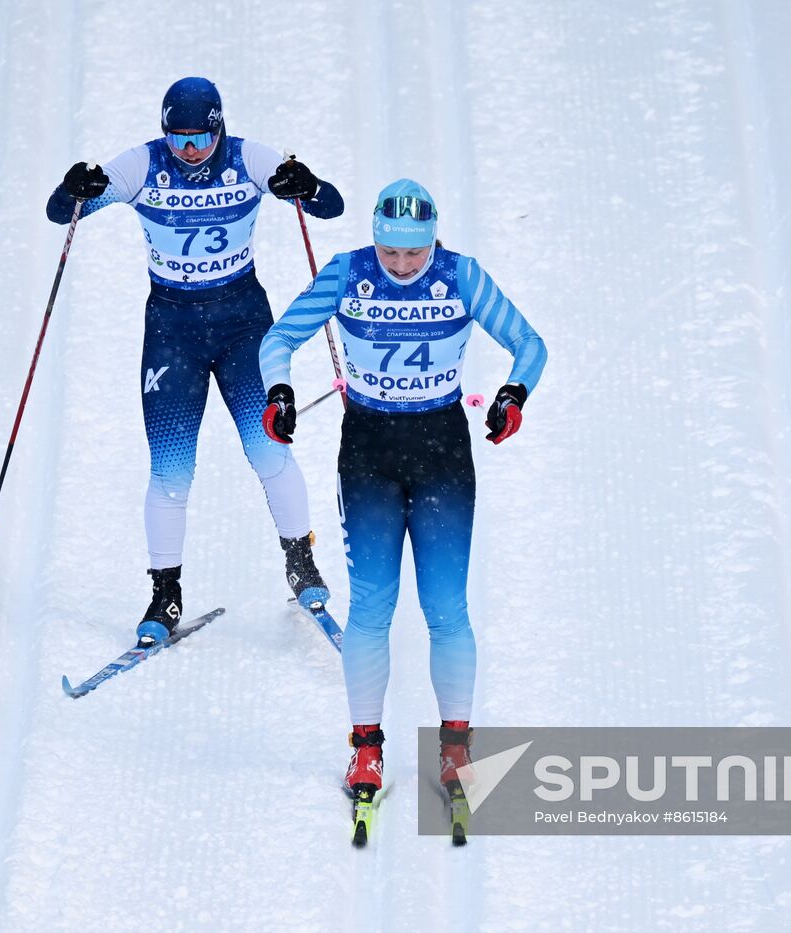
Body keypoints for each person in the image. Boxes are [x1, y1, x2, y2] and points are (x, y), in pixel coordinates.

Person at [258, 179, 547, 804]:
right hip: (368, 452)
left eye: (413, 254)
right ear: (375, 240)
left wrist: (512, 395)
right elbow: (277, 339)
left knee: (446, 609)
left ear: (431, 241)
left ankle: (456, 752)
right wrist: (280, 390)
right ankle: (366, 750)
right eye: (391, 253)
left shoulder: (462, 275)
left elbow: (530, 344)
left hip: (442, 451)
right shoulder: (346, 273)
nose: (402, 265)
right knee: (370, 608)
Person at [47, 77, 343, 647]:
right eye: (176, 138)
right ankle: (165, 594)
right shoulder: (142, 166)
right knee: (170, 471)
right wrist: (73, 188)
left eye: (198, 138)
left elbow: (329, 207)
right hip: (172, 331)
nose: (187, 151)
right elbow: (65, 213)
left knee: (270, 451)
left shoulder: (248, 158)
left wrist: (305, 185)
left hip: (243, 325)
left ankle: (301, 563)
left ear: (218, 126)